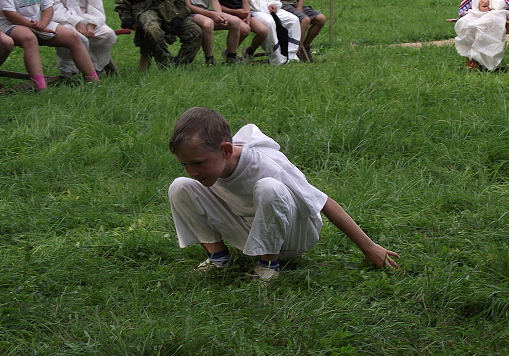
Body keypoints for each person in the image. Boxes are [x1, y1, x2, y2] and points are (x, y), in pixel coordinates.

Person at [168, 107, 401, 281]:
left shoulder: (268, 166)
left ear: (226, 151)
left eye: (198, 163)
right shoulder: (212, 164)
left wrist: (369, 247)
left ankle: (268, 265)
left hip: (293, 236)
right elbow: (193, 180)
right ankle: (218, 258)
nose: (192, 172)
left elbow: (325, 202)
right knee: (179, 186)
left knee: (269, 187)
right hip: (250, 229)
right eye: (185, 164)